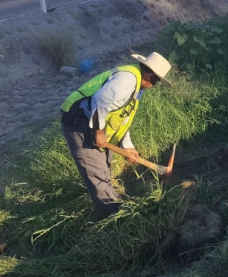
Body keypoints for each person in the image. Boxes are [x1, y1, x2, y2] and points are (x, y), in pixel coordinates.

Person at [59, 52, 172, 217]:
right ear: (150, 75)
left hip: (96, 123)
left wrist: (127, 146)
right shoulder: (127, 80)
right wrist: (98, 130)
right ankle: (116, 216)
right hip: (81, 121)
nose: (154, 85)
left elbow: (122, 118)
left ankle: (112, 203)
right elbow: (101, 100)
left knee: (104, 167)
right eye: (156, 81)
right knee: (96, 172)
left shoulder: (137, 87)